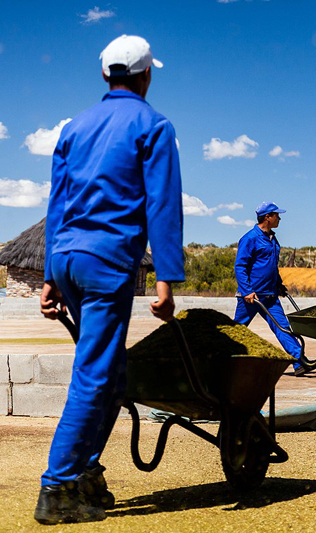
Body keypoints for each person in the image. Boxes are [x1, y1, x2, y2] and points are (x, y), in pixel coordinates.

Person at [36, 35, 185, 525]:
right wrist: (166, 278)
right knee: (95, 373)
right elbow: (162, 205)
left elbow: (56, 204)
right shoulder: (153, 125)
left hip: (66, 259)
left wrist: (51, 276)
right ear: (146, 75)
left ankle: (87, 472)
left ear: (105, 75)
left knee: (113, 376)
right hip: (107, 263)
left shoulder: (74, 127)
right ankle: (57, 487)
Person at [234, 202, 304, 375]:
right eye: (277, 215)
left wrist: (278, 284)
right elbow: (240, 266)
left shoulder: (272, 239)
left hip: (270, 296)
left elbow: (271, 266)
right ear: (267, 217)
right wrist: (247, 291)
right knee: (237, 331)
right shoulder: (250, 238)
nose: (279, 218)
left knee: (283, 328)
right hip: (251, 296)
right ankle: (220, 359)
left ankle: (299, 362)